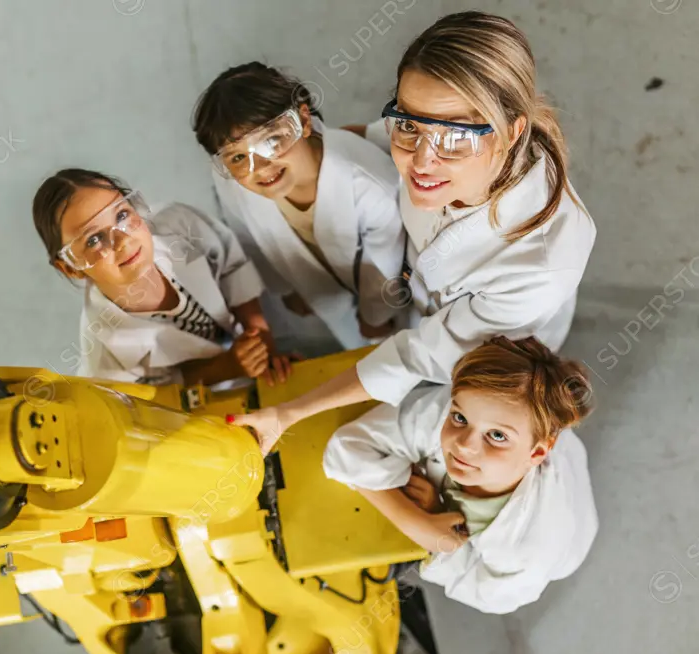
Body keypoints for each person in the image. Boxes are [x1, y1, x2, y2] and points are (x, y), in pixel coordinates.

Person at [229, 11, 597, 449]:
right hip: (422, 293)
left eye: (455, 136)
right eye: (408, 124)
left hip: (498, 346)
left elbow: (416, 356)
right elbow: (366, 139)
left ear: (512, 133)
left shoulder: (538, 264)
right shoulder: (425, 150)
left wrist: (290, 413)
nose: (421, 163)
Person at [322, 336, 597, 614]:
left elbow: (488, 594)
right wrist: (414, 519)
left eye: (497, 436)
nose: (464, 444)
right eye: (460, 419)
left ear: (537, 454)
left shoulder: (531, 546)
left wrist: (440, 543)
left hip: (569, 534)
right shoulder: (468, 406)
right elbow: (346, 448)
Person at [191, 62, 406, 351]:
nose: (261, 167)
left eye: (272, 141)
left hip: (393, 301)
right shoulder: (232, 181)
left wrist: (375, 318)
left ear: (303, 121)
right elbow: (247, 236)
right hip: (316, 291)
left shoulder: (368, 185)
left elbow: (383, 269)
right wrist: (286, 287)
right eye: (238, 158)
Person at [32, 168, 292, 386]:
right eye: (95, 239)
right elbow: (158, 399)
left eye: (122, 215)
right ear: (71, 268)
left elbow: (232, 267)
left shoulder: (178, 224)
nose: (122, 241)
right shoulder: (104, 358)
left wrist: (261, 339)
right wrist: (227, 367)